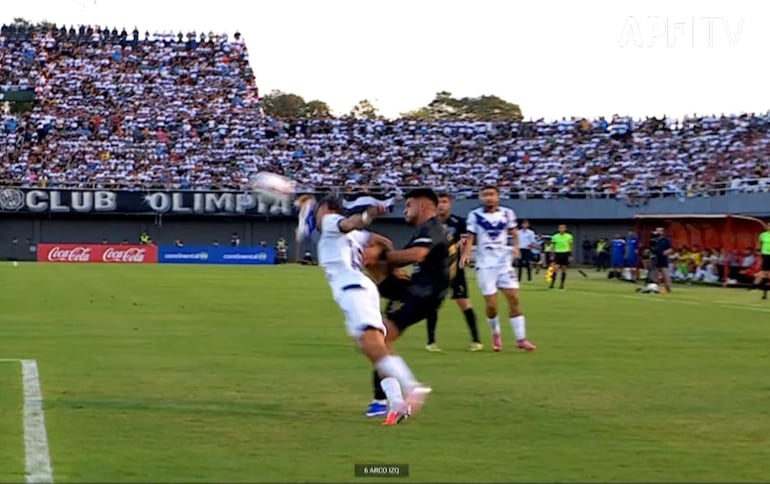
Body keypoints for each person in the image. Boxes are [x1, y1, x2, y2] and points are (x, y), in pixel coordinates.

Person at [314, 194, 430, 426]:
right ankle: (396, 403)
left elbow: (349, 223)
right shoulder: (355, 237)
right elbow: (382, 241)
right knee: (371, 348)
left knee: (372, 345)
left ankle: (413, 387)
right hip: (364, 288)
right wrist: (393, 269)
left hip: (353, 289)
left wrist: (367, 215)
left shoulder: (330, 221)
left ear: (326, 208)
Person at [366, 189, 448, 421]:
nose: (405, 210)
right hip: (415, 289)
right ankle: (390, 402)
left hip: (424, 293)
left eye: (408, 205)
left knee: (378, 340)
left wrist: (382, 258)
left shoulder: (432, 228)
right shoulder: (424, 230)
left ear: (423, 207)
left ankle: (394, 397)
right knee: (378, 339)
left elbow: (418, 254)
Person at [460, 185, 536, 353]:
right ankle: (496, 333)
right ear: (481, 198)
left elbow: (514, 232)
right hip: (485, 265)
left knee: (514, 299)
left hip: (503, 263)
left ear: (498, 197)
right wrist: (466, 254)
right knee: (492, 305)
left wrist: (516, 247)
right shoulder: (475, 215)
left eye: (492, 194)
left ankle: (521, 339)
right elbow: (470, 237)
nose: (489, 198)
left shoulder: (507, 213)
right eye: (485, 195)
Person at [423, 193, 482, 352]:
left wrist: (465, 255)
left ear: (450, 204)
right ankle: (431, 342)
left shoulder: (459, 222)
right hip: (435, 270)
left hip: (456, 269)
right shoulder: (428, 224)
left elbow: (467, 240)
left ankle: (476, 340)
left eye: (444, 202)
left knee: (464, 303)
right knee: (432, 305)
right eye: (438, 202)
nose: (441, 205)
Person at [750, 221, 770, 300]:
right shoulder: (763, 235)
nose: (768, 227)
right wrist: (757, 250)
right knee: (765, 272)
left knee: (766, 273)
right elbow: (759, 244)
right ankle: (761, 289)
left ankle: (756, 285)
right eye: (768, 225)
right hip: (765, 254)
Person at [550, 225, 573, 290]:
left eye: (563, 228)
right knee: (555, 268)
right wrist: (552, 254)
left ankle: (562, 284)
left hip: (565, 253)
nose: (561, 229)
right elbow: (553, 246)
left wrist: (570, 255)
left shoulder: (569, 236)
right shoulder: (555, 236)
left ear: (565, 229)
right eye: (560, 228)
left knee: (564, 269)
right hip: (558, 253)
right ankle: (552, 283)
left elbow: (570, 245)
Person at [651, 227, 673, 293]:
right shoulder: (653, 240)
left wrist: (666, 252)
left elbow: (671, 249)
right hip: (655, 259)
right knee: (655, 274)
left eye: (660, 231)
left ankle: (668, 288)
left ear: (662, 232)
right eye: (657, 231)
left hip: (663, 259)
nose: (658, 232)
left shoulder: (666, 240)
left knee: (665, 274)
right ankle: (656, 288)